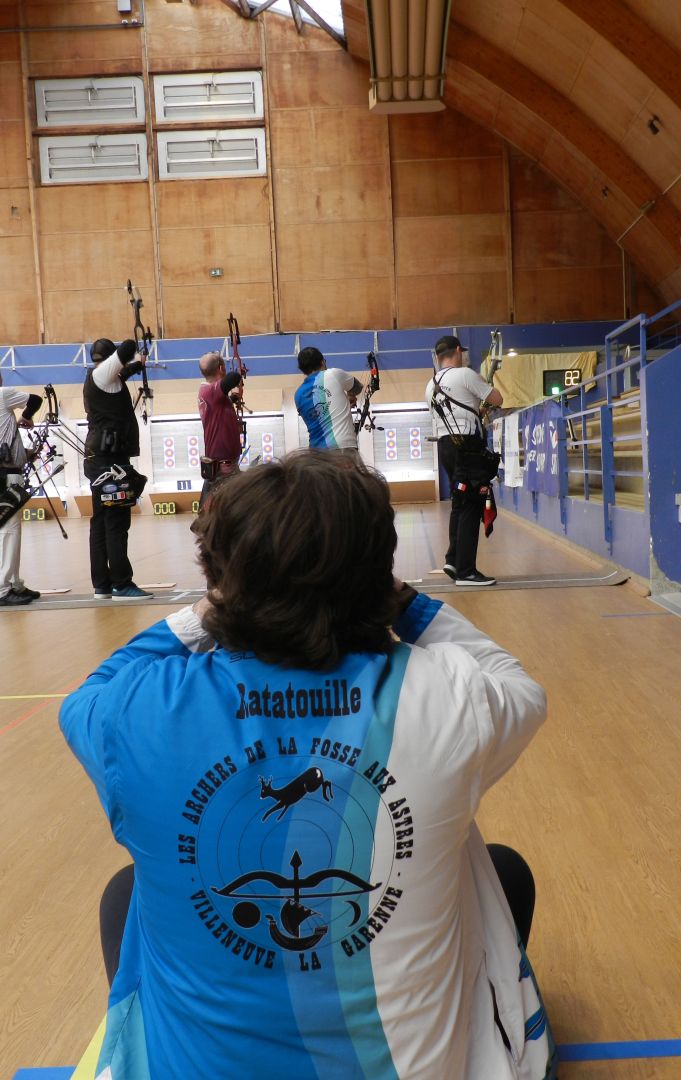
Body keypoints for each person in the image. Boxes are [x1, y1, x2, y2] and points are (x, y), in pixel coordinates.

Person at [59, 451, 557, 1080]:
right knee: (501, 871)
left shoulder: (138, 712)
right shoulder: (445, 694)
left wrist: (209, 610)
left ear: (220, 576)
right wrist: (402, 602)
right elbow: (519, 687)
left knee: (125, 894)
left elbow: (90, 693)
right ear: (380, 578)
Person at [426, 335, 503, 586]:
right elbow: (498, 399)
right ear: (458, 351)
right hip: (467, 446)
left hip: (446, 446)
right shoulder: (466, 374)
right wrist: (484, 390)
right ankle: (466, 571)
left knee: (459, 501)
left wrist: (477, 409)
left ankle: (453, 560)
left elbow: (456, 413)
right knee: (471, 504)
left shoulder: (431, 384)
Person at [83, 337, 151, 601]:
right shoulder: (102, 374)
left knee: (101, 522)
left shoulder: (104, 377)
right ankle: (122, 584)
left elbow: (123, 371)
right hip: (109, 463)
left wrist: (138, 365)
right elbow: (127, 347)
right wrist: (134, 346)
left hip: (100, 460)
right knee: (116, 522)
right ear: (111, 358)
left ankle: (102, 585)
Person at [0, 375, 42, 606]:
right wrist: (26, 417)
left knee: (11, 530)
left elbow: (4, 442)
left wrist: (24, 454)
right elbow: (35, 399)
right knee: (8, 530)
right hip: (5, 476)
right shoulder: (3, 394)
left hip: (7, 472)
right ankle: (3, 589)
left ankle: (14, 583)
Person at [197, 350, 243, 507]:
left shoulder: (209, 393)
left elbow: (217, 409)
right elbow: (234, 377)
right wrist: (236, 375)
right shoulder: (211, 390)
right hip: (223, 465)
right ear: (221, 368)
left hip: (221, 463)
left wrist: (231, 398)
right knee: (231, 508)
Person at [295, 345, 363, 451]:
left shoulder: (298, 394)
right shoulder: (333, 374)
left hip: (315, 453)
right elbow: (358, 388)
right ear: (322, 362)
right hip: (342, 449)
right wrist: (350, 395)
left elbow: (320, 414)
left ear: (302, 370)